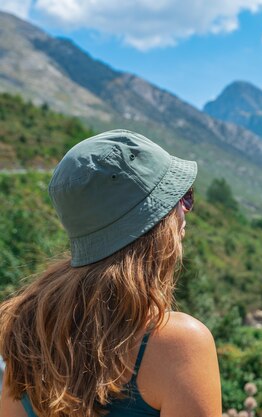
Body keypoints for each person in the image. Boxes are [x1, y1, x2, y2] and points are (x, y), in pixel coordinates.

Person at [0, 130, 222, 417]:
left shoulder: (26, 332)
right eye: (183, 198)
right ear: (157, 226)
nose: (185, 211)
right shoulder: (179, 344)